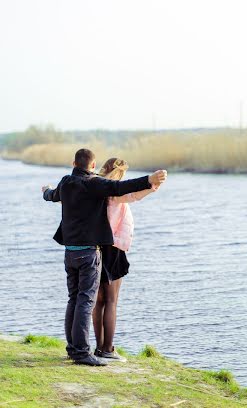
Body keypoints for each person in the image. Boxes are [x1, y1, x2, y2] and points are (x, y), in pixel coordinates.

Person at [42, 147, 167, 366]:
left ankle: (74, 348)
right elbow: (123, 187)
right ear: (92, 166)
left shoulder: (65, 183)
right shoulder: (94, 184)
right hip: (88, 253)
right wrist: (149, 179)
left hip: (69, 253)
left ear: (73, 164)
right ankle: (82, 352)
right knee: (86, 300)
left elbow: (51, 196)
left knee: (75, 299)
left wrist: (46, 190)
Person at [92, 157, 160, 361]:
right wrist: (151, 187)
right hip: (113, 249)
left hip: (95, 248)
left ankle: (99, 348)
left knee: (98, 302)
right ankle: (108, 349)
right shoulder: (113, 191)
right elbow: (133, 196)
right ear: (119, 173)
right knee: (112, 301)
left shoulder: (93, 188)